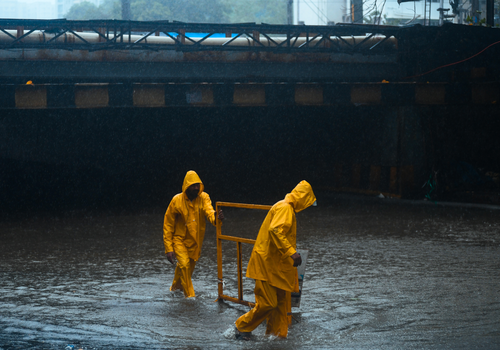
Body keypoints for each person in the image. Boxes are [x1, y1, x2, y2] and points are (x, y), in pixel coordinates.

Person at [235, 180, 316, 340]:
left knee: (279, 305)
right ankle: (242, 326)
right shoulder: (285, 208)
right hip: (267, 265)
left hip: (276, 266)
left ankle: (276, 336)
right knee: (268, 304)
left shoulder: (286, 208)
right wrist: (292, 253)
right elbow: (275, 230)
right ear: (302, 198)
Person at [163, 170, 223, 298]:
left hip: (195, 242)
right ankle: (190, 297)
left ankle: (175, 289)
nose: (196, 188)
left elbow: (209, 211)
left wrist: (216, 218)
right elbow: (168, 225)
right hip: (179, 240)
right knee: (184, 265)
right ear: (186, 186)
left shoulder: (203, 198)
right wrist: (169, 248)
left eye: (198, 185)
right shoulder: (176, 201)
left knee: (186, 270)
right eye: (193, 185)